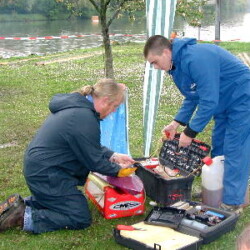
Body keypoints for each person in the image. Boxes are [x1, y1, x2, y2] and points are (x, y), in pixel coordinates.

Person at [0, 78, 136, 234]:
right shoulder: (84, 117)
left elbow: (86, 144)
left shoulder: (79, 110)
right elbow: (95, 162)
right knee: (79, 216)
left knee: (69, 203)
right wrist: (119, 170)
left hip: (43, 170)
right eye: (115, 106)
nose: (113, 112)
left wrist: (113, 155)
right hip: (48, 174)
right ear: (105, 100)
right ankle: (25, 216)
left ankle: (21, 204)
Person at [144, 35, 250, 212]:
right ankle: (217, 190)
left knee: (234, 149)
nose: (155, 67)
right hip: (224, 102)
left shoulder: (195, 58)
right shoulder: (176, 67)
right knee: (219, 148)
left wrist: (190, 132)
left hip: (243, 98)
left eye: (155, 62)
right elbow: (192, 96)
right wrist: (176, 122)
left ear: (165, 52)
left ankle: (232, 202)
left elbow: (208, 100)